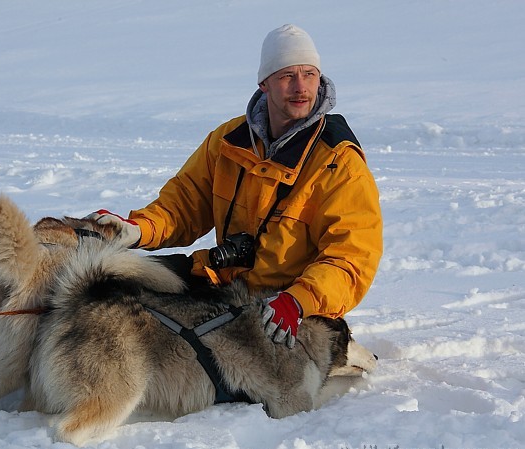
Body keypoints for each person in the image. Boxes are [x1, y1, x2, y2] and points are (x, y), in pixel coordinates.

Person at [88, 24, 383, 349]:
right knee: (110, 281)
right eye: (287, 76)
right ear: (264, 83)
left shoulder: (338, 162)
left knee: (200, 368)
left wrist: (299, 300)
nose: (301, 88)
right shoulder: (229, 141)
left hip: (285, 308)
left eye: (310, 75)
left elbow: (351, 259)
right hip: (222, 280)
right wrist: (138, 230)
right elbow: (183, 205)